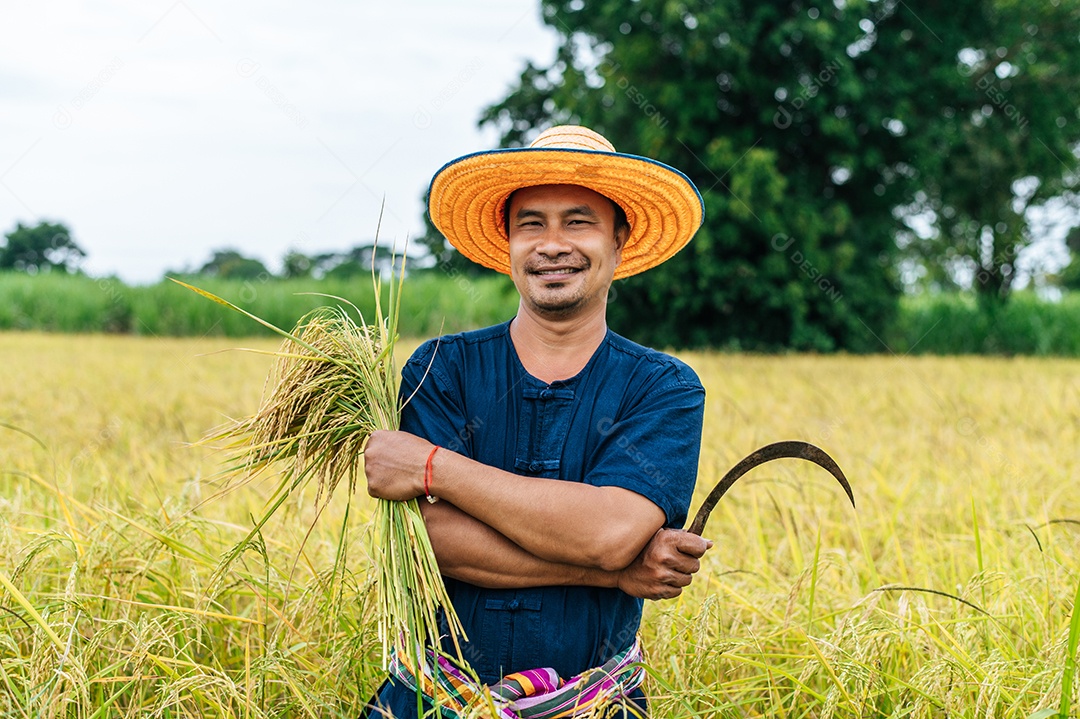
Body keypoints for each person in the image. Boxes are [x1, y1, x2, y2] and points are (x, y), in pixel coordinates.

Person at [362, 125, 712, 718]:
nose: (553, 244)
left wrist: (431, 467)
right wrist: (616, 573)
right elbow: (430, 541)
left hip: (597, 703)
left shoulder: (664, 388)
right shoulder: (441, 369)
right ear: (507, 242)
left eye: (578, 222)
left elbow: (608, 533)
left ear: (619, 240)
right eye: (532, 223)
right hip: (432, 699)